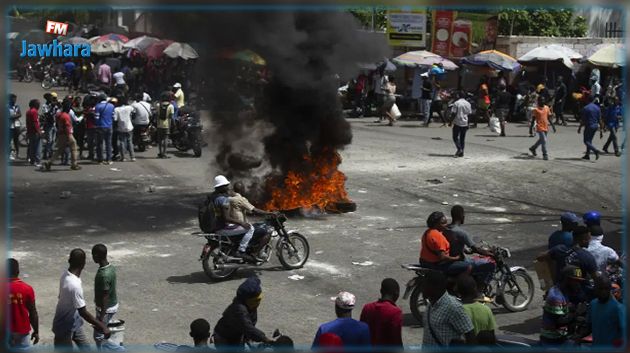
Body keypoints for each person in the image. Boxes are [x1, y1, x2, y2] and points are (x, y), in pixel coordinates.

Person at [53, 249, 110, 349]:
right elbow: (83, 312)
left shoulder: (65, 275)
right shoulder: (74, 285)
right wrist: (102, 326)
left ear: (69, 260)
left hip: (74, 322)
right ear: (83, 263)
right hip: (63, 326)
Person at [444, 205, 495, 293]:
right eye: (463, 214)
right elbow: (476, 249)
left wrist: (464, 250)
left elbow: (452, 244)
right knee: (490, 265)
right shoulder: (461, 232)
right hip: (457, 261)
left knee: (475, 261)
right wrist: (491, 254)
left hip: (450, 260)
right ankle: (478, 291)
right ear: (461, 216)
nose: (464, 216)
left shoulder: (446, 229)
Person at [538, 226, 598, 299]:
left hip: (560, 290)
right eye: (588, 239)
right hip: (580, 294)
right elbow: (597, 279)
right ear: (583, 240)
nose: (589, 241)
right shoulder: (587, 257)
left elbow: (540, 257)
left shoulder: (559, 249)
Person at [213, 276, 273, 348]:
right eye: (256, 300)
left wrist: (249, 338)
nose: (258, 303)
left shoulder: (250, 306)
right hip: (223, 338)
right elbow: (248, 327)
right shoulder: (239, 310)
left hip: (237, 335)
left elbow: (251, 323)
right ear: (248, 300)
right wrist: (265, 339)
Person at [422, 270, 476, 347]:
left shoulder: (453, 307)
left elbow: (470, 335)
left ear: (436, 287)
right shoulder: (430, 305)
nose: (422, 289)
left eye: (425, 285)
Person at [229, 181, 276, 261]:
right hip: (240, 226)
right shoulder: (241, 199)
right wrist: (269, 213)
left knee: (256, 226)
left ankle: (251, 248)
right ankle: (255, 253)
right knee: (267, 231)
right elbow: (255, 210)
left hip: (231, 225)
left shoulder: (229, 198)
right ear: (242, 190)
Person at [540, 265, 586, 346]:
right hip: (553, 339)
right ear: (566, 280)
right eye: (575, 281)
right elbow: (559, 322)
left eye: (579, 281)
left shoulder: (566, 291)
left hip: (563, 336)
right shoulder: (555, 297)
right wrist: (576, 314)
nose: (577, 284)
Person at [420, 211, 471, 276]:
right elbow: (442, 257)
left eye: (446, 222)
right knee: (469, 266)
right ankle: (458, 284)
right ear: (436, 224)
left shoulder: (427, 232)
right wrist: (456, 258)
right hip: (437, 265)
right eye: (443, 223)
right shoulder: (438, 236)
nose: (446, 224)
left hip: (424, 262)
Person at [580, 276, 625, 347]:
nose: (603, 292)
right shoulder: (593, 304)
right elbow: (589, 327)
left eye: (606, 288)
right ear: (595, 289)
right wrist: (578, 337)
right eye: (600, 289)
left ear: (610, 289)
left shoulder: (618, 308)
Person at [359, 278, 403, 349]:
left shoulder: (367, 307)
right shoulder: (395, 312)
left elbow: (361, 333)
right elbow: (396, 339)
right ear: (396, 294)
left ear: (381, 291)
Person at [8, 258, 40, 350]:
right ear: (18, 271)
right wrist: (36, 331)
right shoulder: (27, 289)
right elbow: (33, 312)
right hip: (22, 331)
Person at [92, 244, 119, 349]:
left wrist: (101, 318)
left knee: (98, 336)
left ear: (96, 255)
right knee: (100, 335)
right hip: (109, 306)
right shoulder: (110, 267)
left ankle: (120, 350)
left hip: (105, 309)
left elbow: (105, 297)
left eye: (93, 255)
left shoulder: (104, 275)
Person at [456, 275, 496, 345]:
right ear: (475, 289)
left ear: (457, 291)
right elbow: (492, 336)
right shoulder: (486, 310)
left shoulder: (457, 312)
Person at [44, 98, 81, 171]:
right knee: (74, 148)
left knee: (59, 150)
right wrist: (69, 135)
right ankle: (74, 164)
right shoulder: (66, 116)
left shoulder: (59, 114)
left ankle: (49, 162)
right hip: (67, 134)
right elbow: (67, 127)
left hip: (60, 133)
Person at [528, 96, 556, 160]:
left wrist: (553, 126)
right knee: (544, 140)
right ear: (538, 101)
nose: (542, 101)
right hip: (539, 127)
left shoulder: (546, 108)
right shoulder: (536, 110)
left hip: (545, 126)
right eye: (541, 100)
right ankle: (545, 154)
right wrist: (530, 129)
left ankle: (533, 148)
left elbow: (549, 118)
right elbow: (533, 120)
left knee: (541, 140)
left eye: (543, 100)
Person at [578, 95, 603, 160]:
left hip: (589, 126)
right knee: (589, 141)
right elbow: (600, 119)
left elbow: (583, 120)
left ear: (587, 100)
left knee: (586, 141)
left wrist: (580, 127)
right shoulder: (597, 108)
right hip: (595, 126)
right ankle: (587, 155)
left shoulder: (586, 108)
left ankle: (595, 151)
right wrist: (601, 130)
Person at [94, 95, 116, 165]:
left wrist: (97, 125)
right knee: (108, 143)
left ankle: (100, 159)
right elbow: (113, 116)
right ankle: (109, 159)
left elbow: (96, 117)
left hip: (100, 126)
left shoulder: (98, 106)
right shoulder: (111, 106)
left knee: (100, 143)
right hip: (109, 126)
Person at [449, 91, 471, 157]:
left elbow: (453, 113)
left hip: (457, 122)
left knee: (455, 137)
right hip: (465, 122)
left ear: (458, 96)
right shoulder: (468, 103)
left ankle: (459, 149)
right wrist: (468, 123)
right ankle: (462, 152)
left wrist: (450, 122)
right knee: (462, 138)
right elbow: (470, 114)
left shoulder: (456, 103)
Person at [114, 97, 135, 162]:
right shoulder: (129, 107)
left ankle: (123, 157)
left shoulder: (116, 109)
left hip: (121, 127)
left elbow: (115, 119)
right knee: (130, 142)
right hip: (129, 127)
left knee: (122, 142)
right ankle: (132, 157)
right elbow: (134, 112)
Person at [41, 92, 60, 160]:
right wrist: (51, 107)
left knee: (53, 140)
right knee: (49, 140)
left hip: (54, 124)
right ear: (47, 98)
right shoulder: (45, 106)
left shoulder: (54, 105)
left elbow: (58, 112)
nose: (51, 98)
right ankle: (46, 153)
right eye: (50, 97)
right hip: (48, 124)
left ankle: (49, 153)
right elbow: (46, 114)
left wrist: (57, 105)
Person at [156, 92, 174, 158]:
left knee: (160, 139)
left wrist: (157, 123)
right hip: (167, 125)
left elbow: (157, 115)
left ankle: (160, 153)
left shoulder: (158, 105)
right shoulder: (171, 106)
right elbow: (170, 117)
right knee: (166, 139)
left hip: (159, 124)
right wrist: (171, 125)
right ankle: (164, 153)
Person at [26, 99, 43, 167]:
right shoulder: (34, 112)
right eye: (38, 104)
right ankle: (38, 161)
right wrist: (39, 131)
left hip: (30, 131)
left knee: (32, 147)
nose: (39, 106)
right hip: (35, 132)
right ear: (35, 105)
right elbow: (35, 122)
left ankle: (32, 160)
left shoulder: (28, 112)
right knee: (38, 147)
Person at [8, 93, 22, 160]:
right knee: (9, 140)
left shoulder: (17, 106)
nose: (14, 101)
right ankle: (9, 153)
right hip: (9, 126)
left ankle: (17, 153)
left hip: (16, 125)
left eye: (15, 99)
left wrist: (12, 117)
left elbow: (20, 114)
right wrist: (14, 116)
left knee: (16, 140)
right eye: (13, 99)